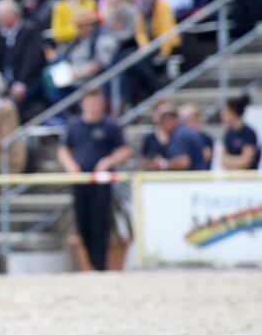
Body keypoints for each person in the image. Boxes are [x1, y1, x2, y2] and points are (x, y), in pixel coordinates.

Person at [57, 88, 131, 271]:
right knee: (83, 224)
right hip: (80, 181)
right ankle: (91, 263)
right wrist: (70, 166)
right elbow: (63, 149)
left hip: (101, 183)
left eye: (97, 101)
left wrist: (108, 161)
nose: (93, 105)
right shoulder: (74, 126)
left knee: (100, 223)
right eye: (90, 101)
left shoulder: (110, 126)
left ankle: (99, 265)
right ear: (83, 104)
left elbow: (124, 150)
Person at [140, 102, 209, 171]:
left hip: (190, 179)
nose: (161, 126)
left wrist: (162, 164)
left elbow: (183, 162)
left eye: (163, 122)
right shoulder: (184, 132)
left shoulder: (180, 135)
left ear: (172, 120)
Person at [220, 95, 260, 170]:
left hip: (248, 179)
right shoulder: (228, 133)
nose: (222, 117)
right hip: (232, 178)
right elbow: (222, 160)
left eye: (225, 113)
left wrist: (229, 160)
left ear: (233, 113)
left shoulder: (248, 133)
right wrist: (237, 161)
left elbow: (246, 161)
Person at [179, 103, 214, 167]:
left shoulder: (205, 138)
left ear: (197, 119)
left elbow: (205, 158)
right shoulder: (177, 138)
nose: (184, 123)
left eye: (188, 120)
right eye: (182, 120)